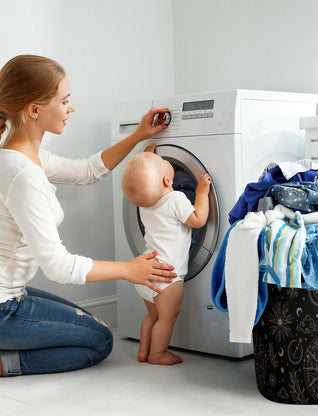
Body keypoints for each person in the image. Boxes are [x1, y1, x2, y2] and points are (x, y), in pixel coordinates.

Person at [0, 54, 177, 376]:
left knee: (90, 322)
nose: (72, 108)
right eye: (65, 101)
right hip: (3, 306)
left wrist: (139, 135)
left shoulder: (22, 155)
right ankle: (5, 362)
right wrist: (129, 270)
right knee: (98, 340)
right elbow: (58, 266)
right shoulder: (21, 173)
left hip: (10, 292)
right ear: (34, 110)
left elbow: (88, 171)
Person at [121, 148, 211, 365]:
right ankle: (157, 354)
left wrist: (147, 159)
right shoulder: (176, 198)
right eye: (162, 161)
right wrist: (200, 193)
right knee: (167, 318)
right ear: (167, 180)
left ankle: (143, 351)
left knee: (152, 316)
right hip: (167, 276)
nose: (164, 159)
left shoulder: (144, 203)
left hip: (147, 271)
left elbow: (145, 184)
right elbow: (198, 220)